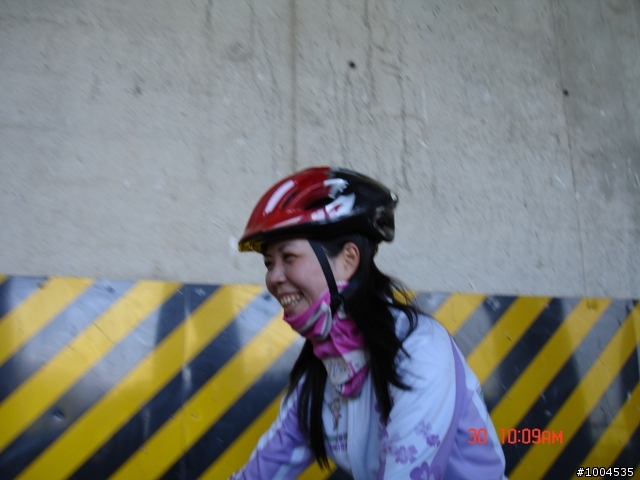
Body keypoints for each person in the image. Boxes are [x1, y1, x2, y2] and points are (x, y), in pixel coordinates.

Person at [232, 167, 507, 479]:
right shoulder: (320, 375)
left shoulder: (420, 351)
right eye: (269, 263)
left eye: (288, 257)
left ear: (348, 260)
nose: (273, 277)